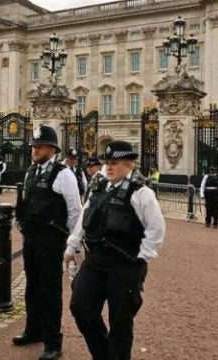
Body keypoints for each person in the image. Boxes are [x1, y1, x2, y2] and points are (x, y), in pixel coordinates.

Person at [65, 140, 166, 360]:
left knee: (120, 321)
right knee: (81, 307)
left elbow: (156, 229)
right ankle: (103, 355)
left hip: (124, 264)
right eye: (108, 162)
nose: (109, 167)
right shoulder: (98, 187)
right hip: (95, 260)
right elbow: (84, 217)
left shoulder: (141, 193)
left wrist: (141, 257)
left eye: (115, 163)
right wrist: (72, 246)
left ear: (130, 164)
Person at [13, 125, 82, 360]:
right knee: (32, 287)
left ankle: (53, 342)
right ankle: (34, 330)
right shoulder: (31, 172)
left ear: (52, 149)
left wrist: (73, 244)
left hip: (52, 240)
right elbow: (26, 201)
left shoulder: (63, 174)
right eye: (34, 146)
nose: (35, 150)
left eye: (40, 146)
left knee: (50, 291)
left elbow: (75, 210)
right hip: (32, 239)